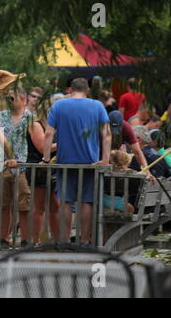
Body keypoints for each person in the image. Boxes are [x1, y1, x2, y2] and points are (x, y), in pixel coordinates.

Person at [43, 78, 111, 246]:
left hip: (65, 162)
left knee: (66, 201)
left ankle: (65, 241)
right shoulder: (97, 106)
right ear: (87, 90)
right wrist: (105, 159)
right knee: (87, 201)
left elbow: (48, 133)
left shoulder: (59, 106)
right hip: (90, 162)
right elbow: (107, 134)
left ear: (70, 90)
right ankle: (85, 240)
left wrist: (46, 158)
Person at [0, 84, 33, 248]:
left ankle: (25, 239)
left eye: (13, 97)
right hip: (2, 167)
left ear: (23, 99)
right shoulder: (0, 116)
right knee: (3, 205)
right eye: (7, 98)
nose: (9, 101)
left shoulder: (31, 118)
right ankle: (2, 239)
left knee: (24, 205)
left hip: (22, 168)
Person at [25, 94, 60, 244]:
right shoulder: (36, 124)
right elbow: (41, 148)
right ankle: (35, 240)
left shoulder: (53, 126)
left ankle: (58, 240)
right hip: (38, 168)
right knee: (38, 206)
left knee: (54, 206)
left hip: (51, 169)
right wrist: (64, 142)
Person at [109, 110, 151, 175]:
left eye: (117, 128)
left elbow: (137, 151)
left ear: (121, 123)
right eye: (113, 128)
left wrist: (146, 170)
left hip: (115, 155)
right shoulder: (101, 126)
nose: (115, 132)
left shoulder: (126, 127)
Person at [103, 150, 136, 215]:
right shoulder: (129, 172)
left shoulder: (107, 171)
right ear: (127, 162)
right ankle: (124, 224)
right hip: (113, 200)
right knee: (131, 208)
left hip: (103, 198)